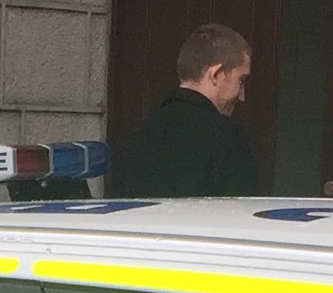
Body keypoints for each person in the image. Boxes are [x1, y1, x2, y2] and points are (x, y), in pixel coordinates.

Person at [108, 23, 259, 197]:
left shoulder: (138, 135)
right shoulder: (227, 138)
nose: (242, 96)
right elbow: (241, 215)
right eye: (241, 80)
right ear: (216, 74)